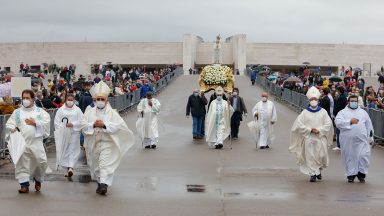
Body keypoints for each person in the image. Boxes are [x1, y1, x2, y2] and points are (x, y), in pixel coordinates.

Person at [82, 81, 134, 195]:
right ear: (95, 100)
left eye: (102, 99)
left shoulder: (112, 113)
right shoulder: (89, 111)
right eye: (98, 98)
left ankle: (104, 185)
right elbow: (83, 124)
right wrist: (93, 125)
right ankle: (100, 182)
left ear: (106, 100)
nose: (100, 101)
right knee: (96, 166)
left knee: (104, 164)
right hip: (94, 143)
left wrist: (104, 125)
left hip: (107, 143)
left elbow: (119, 125)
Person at [6, 89, 51, 193]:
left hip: (36, 143)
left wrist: (35, 123)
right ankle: (24, 185)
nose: (25, 100)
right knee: (22, 164)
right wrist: (11, 128)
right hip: (22, 143)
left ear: (33, 99)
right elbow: (10, 123)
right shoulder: (17, 112)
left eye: (27, 98)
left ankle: (38, 180)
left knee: (39, 162)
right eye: (24, 98)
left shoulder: (40, 112)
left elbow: (46, 124)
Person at [289, 87, 334, 182]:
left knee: (321, 156)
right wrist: (309, 130)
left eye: (315, 99)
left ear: (318, 100)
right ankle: (312, 174)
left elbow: (328, 123)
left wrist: (319, 130)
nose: (313, 101)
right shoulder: (304, 112)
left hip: (320, 137)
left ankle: (318, 171)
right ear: (309, 101)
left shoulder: (323, 112)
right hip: (309, 137)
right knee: (310, 156)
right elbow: (299, 124)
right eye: (312, 99)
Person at [335, 95, 374, 183]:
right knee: (350, 157)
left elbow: (369, 125)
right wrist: (349, 121)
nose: (354, 103)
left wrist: (370, 137)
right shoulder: (342, 112)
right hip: (348, 141)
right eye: (352, 101)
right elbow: (338, 123)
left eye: (355, 101)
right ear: (348, 102)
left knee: (363, 156)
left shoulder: (363, 112)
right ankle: (351, 175)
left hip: (362, 140)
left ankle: (361, 174)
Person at [54, 92, 84, 178]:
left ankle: (71, 167)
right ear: (65, 100)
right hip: (64, 134)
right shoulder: (61, 110)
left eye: (71, 100)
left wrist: (73, 124)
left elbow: (82, 121)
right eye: (68, 100)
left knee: (72, 150)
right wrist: (63, 127)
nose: (70, 101)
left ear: (74, 100)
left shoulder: (77, 110)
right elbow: (57, 121)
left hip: (74, 133)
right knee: (65, 151)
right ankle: (68, 169)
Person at [332, 86, 348, 150]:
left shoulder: (341, 97)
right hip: (342, 115)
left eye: (337, 91)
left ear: (339, 91)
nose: (337, 92)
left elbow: (338, 107)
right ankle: (341, 145)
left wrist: (335, 113)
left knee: (339, 130)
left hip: (339, 115)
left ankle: (339, 145)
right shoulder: (343, 97)